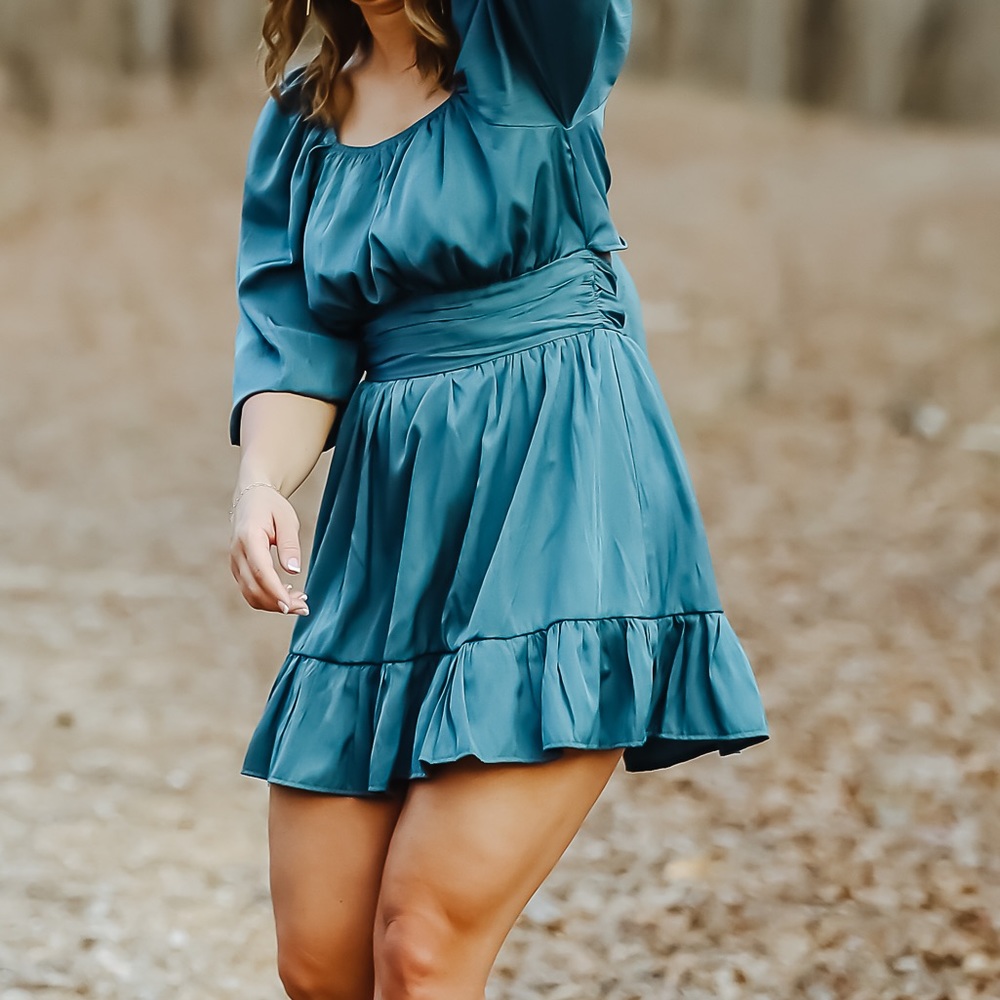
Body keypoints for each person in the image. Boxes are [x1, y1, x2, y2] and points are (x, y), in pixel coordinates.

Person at [227, 1, 769, 997]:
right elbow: (296, 343)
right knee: (319, 962)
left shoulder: (531, 53)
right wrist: (262, 480)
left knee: (422, 946)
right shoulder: (303, 120)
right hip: (389, 529)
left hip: (556, 492)